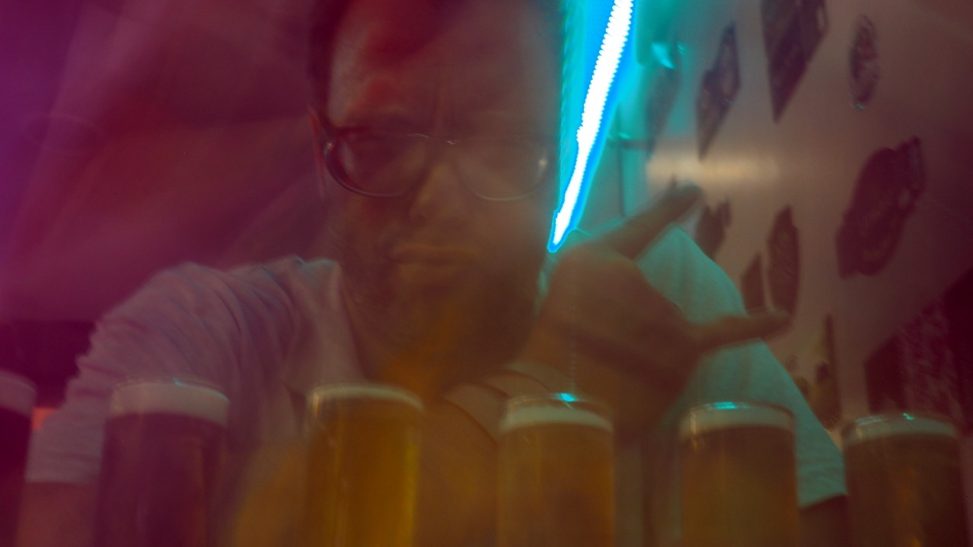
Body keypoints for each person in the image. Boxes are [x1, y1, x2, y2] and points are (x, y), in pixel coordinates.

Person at [17, 1, 849, 546]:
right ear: (323, 152)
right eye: (382, 139)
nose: (443, 195)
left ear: (554, 158)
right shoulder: (205, 334)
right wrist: (533, 387)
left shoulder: (651, 296)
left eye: (498, 140)